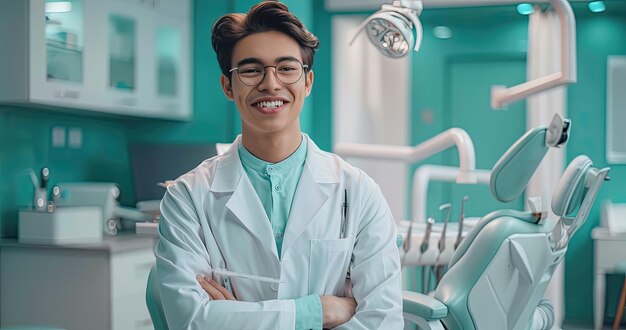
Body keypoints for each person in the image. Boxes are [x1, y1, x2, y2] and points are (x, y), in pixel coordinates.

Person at [155, 1, 403, 329]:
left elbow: (383, 322)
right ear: (228, 86)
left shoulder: (358, 192)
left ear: (308, 82)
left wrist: (237, 318)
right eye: (251, 69)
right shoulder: (187, 197)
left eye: (286, 68)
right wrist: (317, 311)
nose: (270, 84)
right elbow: (191, 319)